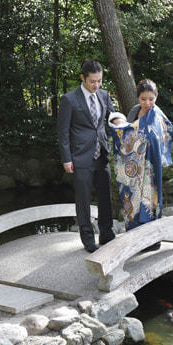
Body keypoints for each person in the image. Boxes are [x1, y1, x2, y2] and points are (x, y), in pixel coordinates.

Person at [57, 59, 120, 253]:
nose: (97, 85)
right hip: (80, 158)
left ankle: (107, 233)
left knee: (105, 197)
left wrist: (119, 125)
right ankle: (87, 238)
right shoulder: (69, 99)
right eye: (93, 81)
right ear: (82, 78)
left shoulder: (104, 94)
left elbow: (111, 118)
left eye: (99, 80)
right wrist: (66, 158)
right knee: (83, 199)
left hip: (101, 154)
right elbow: (63, 131)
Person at [109, 78, 173, 251]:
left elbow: (168, 129)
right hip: (133, 167)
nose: (147, 103)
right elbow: (126, 132)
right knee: (132, 201)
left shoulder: (158, 114)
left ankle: (153, 240)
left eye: (151, 99)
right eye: (143, 99)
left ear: (156, 97)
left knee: (150, 201)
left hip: (150, 165)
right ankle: (136, 240)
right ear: (138, 98)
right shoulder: (134, 111)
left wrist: (162, 154)